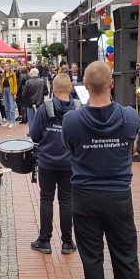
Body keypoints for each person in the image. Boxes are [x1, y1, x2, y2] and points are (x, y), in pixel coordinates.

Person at [61, 61, 140, 279]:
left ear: (84, 86)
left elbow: (70, 148)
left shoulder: (71, 120)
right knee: (126, 259)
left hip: (85, 196)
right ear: (112, 84)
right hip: (119, 196)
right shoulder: (131, 116)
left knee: (92, 260)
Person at [29, 74, 78, 255]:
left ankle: (45, 241)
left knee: (46, 199)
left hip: (47, 162)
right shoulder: (78, 109)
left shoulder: (44, 108)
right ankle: (67, 242)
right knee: (66, 200)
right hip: (69, 163)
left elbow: (34, 135)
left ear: (54, 89)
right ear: (71, 88)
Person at [0, 61, 18, 128]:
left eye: (7, 66)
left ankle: (12, 122)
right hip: (4, 90)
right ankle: (8, 121)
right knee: (6, 107)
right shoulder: (3, 74)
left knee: (12, 107)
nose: (6, 67)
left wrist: (15, 92)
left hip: (10, 90)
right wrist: (1, 90)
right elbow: (1, 83)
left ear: (9, 67)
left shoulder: (13, 74)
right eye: (5, 66)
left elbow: (15, 83)